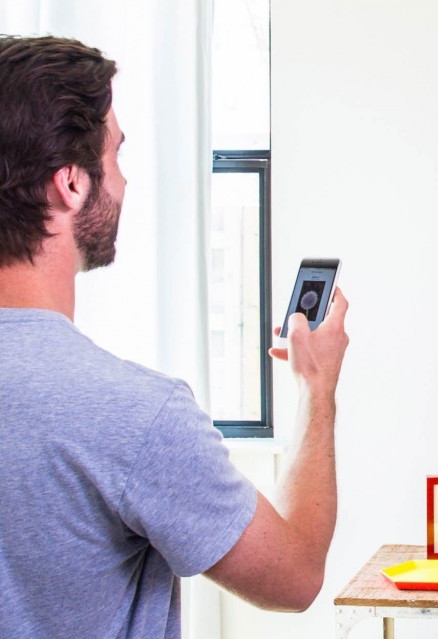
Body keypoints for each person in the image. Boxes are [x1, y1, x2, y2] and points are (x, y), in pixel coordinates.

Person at [0, 34, 350, 638]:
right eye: (115, 155)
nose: (125, 182)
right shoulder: (133, 415)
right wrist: (316, 389)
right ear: (71, 184)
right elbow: (294, 578)